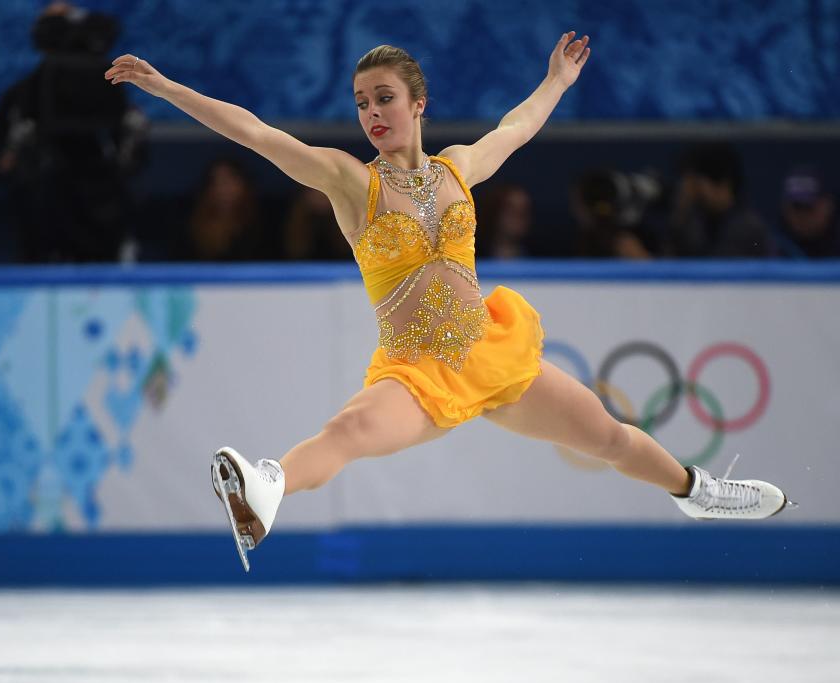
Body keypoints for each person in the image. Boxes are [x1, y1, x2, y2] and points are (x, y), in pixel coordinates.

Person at [106, 34, 793, 571]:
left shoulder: (458, 168)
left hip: (489, 351)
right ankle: (266, 488)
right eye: (361, 103)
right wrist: (165, 88)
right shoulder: (352, 184)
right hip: (416, 372)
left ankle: (699, 493)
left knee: (610, 436)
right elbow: (256, 133)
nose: (371, 114)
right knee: (347, 433)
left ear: (417, 103)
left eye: (383, 99)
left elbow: (516, 128)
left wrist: (555, 81)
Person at [0, 1, 147, 263]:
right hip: (43, 213)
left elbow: (134, 162)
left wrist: (129, 143)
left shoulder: (107, 89)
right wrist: (18, 149)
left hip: (102, 212)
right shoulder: (26, 96)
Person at [664, 143, 772, 258]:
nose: (694, 192)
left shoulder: (747, 227)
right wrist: (680, 213)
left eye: (698, 184)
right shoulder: (697, 221)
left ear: (723, 184)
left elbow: (712, 271)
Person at [180, 158, 267, 261]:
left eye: (230, 180)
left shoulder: (263, 224)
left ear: (245, 184)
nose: (223, 189)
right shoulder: (189, 225)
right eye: (216, 182)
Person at [774, 167, 839, 259]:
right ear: (785, 208)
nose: (802, 216)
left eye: (808, 207)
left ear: (828, 206)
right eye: (797, 207)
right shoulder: (771, 249)